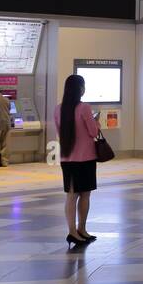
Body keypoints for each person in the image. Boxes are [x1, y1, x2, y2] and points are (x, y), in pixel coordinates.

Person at [55, 74, 99, 248]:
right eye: (83, 85)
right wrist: (96, 122)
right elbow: (93, 132)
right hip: (85, 158)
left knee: (71, 196)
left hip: (67, 158)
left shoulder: (58, 109)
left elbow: (60, 132)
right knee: (85, 195)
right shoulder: (84, 108)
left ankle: (72, 231)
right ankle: (82, 229)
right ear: (79, 89)